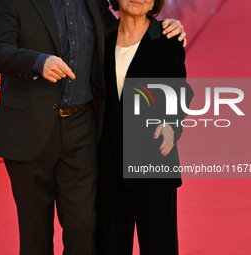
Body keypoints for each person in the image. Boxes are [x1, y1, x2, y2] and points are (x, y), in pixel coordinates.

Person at [0, 0, 186, 254]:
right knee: (36, 235)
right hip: (30, 132)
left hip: (81, 132)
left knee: (84, 229)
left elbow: (129, 27)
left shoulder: (93, 1)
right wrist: (38, 62)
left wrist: (165, 28)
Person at [96, 0, 194, 254]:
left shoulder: (166, 38)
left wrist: (171, 125)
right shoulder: (101, 40)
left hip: (153, 164)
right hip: (108, 169)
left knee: (159, 247)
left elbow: (179, 91)